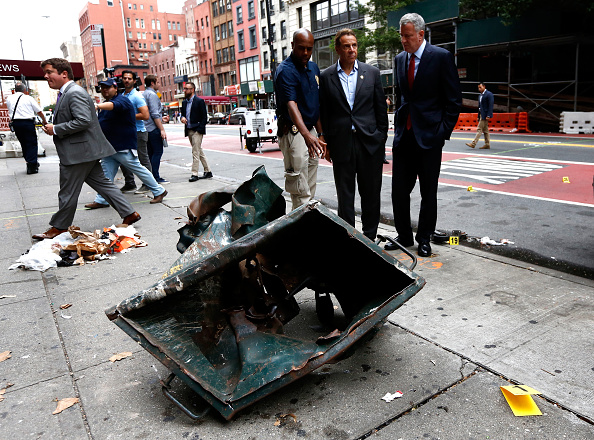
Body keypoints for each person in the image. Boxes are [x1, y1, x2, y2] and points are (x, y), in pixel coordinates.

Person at [34, 58, 139, 240]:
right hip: (84, 151)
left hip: (78, 153)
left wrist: (56, 129)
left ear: (64, 74)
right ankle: (129, 213)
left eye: (49, 72)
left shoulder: (74, 93)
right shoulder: (69, 93)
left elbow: (83, 121)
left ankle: (59, 226)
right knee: (104, 184)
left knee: (67, 191)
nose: (46, 76)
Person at [386, 13, 461, 257]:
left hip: (430, 138)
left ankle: (424, 238)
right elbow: (402, 98)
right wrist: (398, 127)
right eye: (401, 36)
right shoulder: (399, 60)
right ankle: (405, 236)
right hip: (404, 137)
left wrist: (442, 133)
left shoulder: (441, 58)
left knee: (428, 192)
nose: (403, 41)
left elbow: (454, 101)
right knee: (399, 191)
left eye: (407, 36)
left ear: (421, 34)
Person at [319, 29, 388, 240]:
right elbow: (325, 111)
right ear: (338, 49)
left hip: (369, 143)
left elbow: (380, 110)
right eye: (347, 46)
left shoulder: (372, 73)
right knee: (345, 196)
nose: (352, 50)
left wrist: (380, 138)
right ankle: (348, 239)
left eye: (354, 45)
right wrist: (327, 141)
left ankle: (369, 238)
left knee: (370, 194)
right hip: (341, 144)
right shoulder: (326, 76)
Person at [84, 78, 167, 210]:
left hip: (122, 145)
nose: (105, 90)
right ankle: (102, 199)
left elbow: (114, 106)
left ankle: (159, 191)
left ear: (115, 88)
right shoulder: (108, 103)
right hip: (110, 147)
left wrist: (97, 106)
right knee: (106, 174)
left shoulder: (121, 100)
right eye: (103, 88)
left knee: (137, 168)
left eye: (108, 87)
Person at [274, 29, 325, 210]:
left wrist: (319, 134)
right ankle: (299, 232)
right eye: (301, 48)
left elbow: (315, 104)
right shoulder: (285, 71)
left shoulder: (313, 68)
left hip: (310, 131)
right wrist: (306, 135)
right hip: (295, 132)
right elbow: (291, 105)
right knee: (299, 187)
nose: (305, 53)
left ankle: (306, 225)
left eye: (309, 49)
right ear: (292, 45)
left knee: (310, 185)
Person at [118, 70, 151, 192]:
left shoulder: (137, 96)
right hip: (125, 132)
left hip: (138, 132)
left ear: (134, 81)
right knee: (123, 158)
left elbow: (145, 115)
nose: (126, 80)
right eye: (125, 78)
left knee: (143, 159)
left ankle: (148, 184)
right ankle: (130, 183)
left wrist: (128, 115)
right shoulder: (122, 95)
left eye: (129, 79)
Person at [6, 83, 47, 174]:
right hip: (27, 123)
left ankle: (31, 161)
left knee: (23, 143)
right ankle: (32, 165)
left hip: (16, 123)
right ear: (25, 90)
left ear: (15, 90)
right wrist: (44, 121)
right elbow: (39, 111)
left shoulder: (9, 99)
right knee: (31, 143)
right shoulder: (28, 98)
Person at [181, 82, 212, 182]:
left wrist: (200, 129)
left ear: (192, 90)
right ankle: (208, 171)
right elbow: (182, 114)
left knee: (195, 152)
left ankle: (194, 173)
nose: (185, 90)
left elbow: (204, 117)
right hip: (189, 129)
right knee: (199, 151)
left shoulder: (199, 101)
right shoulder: (184, 102)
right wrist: (182, 118)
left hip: (197, 130)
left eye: (187, 89)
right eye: (184, 88)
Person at [143, 74, 169, 185]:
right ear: (152, 83)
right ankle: (155, 177)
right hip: (153, 129)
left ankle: (151, 177)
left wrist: (161, 119)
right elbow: (154, 114)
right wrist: (162, 129)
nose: (159, 84)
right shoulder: (152, 95)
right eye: (158, 82)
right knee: (157, 152)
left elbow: (150, 114)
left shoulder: (144, 94)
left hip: (146, 128)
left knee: (150, 154)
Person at [466, 82, 494, 150]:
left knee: (479, 129)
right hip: (481, 114)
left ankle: (473, 143)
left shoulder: (489, 94)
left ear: (484, 86)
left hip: (485, 115)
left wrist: (489, 115)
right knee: (485, 130)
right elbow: (480, 107)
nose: (479, 89)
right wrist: (478, 116)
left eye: (480, 87)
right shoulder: (480, 95)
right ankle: (487, 144)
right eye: (478, 87)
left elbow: (491, 105)